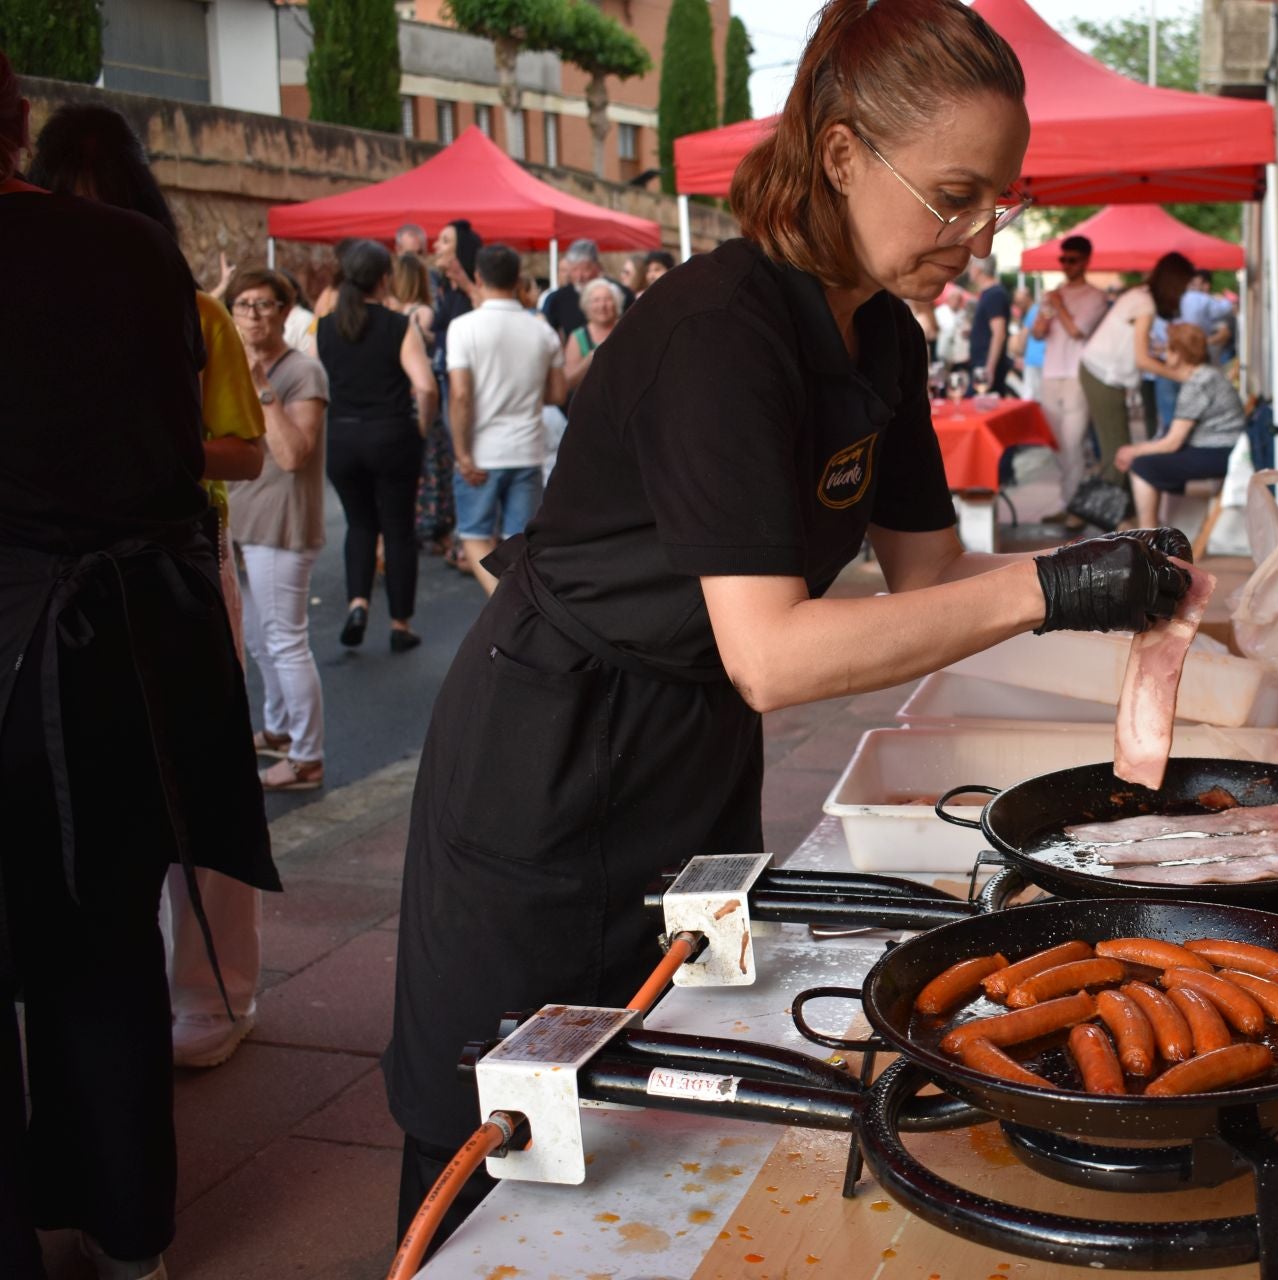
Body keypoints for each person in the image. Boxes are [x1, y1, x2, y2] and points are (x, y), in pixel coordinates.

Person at [381, 0, 1194, 1255]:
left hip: (689, 739)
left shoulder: (883, 336)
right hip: (550, 745)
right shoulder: (725, 331)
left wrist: (1119, 593)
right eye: (954, 196)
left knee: (656, 1098)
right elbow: (773, 654)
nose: (977, 237)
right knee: (502, 1117)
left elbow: (932, 573)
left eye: (1000, 203)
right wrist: (1056, 587)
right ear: (841, 154)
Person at [1, 54, 273, 1280]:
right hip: (122, 659)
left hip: (23, 646)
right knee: (104, 949)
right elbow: (182, 459)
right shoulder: (135, 255)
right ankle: (126, 1230)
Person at [226, 267, 331, 793]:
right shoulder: (233, 364)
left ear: (286, 312)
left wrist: (261, 385)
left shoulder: (302, 373)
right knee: (261, 639)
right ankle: (280, 730)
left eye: (264, 305)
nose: (252, 315)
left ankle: (308, 757)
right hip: (246, 518)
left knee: (287, 640)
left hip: (283, 522)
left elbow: (292, 455)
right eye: (243, 304)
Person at [317, 240, 439, 651]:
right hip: (390, 435)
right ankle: (400, 624)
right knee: (399, 530)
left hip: (343, 437)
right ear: (385, 278)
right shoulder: (397, 325)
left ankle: (358, 604)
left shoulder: (326, 327)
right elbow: (425, 386)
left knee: (359, 524)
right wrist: (421, 426)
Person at [446, 244, 566, 596]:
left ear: (478, 278)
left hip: (482, 452)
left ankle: (507, 604)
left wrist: (461, 452)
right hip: (527, 448)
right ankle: (517, 604)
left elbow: (461, 395)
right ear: (518, 280)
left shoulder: (463, 327)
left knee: (473, 536)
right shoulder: (542, 331)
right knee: (518, 542)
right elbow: (557, 394)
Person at [1079, 251, 1195, 486]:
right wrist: (1180, 375)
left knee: (1117, 446)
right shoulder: (1145, 305)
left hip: (1100, 373)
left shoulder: (1139, 296)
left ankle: (1123, 511)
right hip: (1103, 375)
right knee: (1118, 450)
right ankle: (1119, 515)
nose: (1184, 293)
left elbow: (1136, 346)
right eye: (1184, 287)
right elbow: (1142, 360)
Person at [1116, 323, 1245, 528]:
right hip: (1225, 447)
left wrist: (1133, 450)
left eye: (1168, 348)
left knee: (1142, 466)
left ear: (1178, 354)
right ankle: (1153, 530)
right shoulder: (1208, 374)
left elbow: (1172, 443)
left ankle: (1148, 537)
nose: (1164, 353)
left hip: (1218, 453)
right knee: (1150, 457)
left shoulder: (1196, 385)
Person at [1029, 233, 1108, 526]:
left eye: (1071, 260)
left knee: (1074, 443)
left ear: (1086, 261)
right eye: (1063, 259)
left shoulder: (1096, 297)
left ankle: (1075, 508)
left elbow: (1078, 332)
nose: (1065, 265)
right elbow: (1038, 334)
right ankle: (1069, 502)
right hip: (1050, 374)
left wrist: (1058, 305)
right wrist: (1042, 318)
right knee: (1057, 444)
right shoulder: (1054, 294)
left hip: (1077, 376)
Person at [422, 221, 482, 561]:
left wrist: (463, 279)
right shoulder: (442, 287)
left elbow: (483, 309)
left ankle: (468, 535)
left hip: (466, 378)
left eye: (445, 240)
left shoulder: (467, 284)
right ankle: (461, 531)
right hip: (445, 373)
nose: (436, 246)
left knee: (464, 450)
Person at [539, 238, 634, 338]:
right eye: (575, 269)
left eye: (585, 269)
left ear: (597, 267)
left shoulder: (620, 294)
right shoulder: (556, 299)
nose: (579, 276)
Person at [563, 275, 622, 395]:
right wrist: (590, 359)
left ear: (617, 303)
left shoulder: (626, 330)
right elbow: (568, 382)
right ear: (587, 306)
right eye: (596, 300)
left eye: (608, 299)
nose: (602, 306)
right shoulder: (578, 336)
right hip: (590, 405)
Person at [965, 254, 1013, 394]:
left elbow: (999, 333)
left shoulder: (994, 294)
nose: (969, 270)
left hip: (985, 367)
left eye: (971, 266)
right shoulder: (989, 294)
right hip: (982, 364)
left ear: (978, 269)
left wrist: (989, 369)